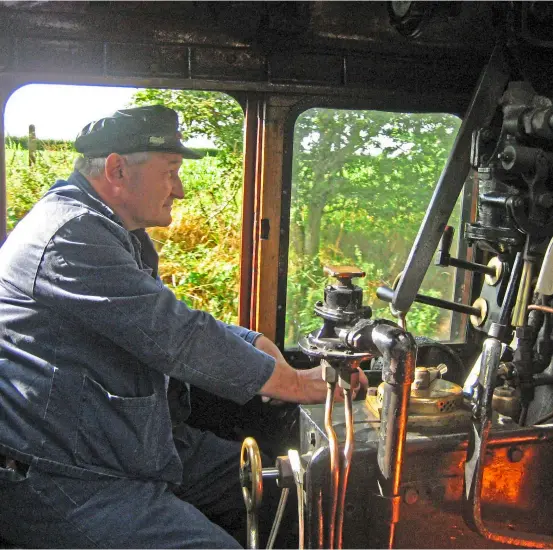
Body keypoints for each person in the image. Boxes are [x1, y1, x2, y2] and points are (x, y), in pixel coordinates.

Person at [0, 105, 367, 549]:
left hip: (134, 442)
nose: (180, 190)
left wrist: (253, 343)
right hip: (71, 472)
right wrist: (291, 382)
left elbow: (162, 318)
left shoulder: (111, 230)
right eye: (170, 171)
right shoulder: (70, 235)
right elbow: (173, 335)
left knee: (285, 490)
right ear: (117, 169)